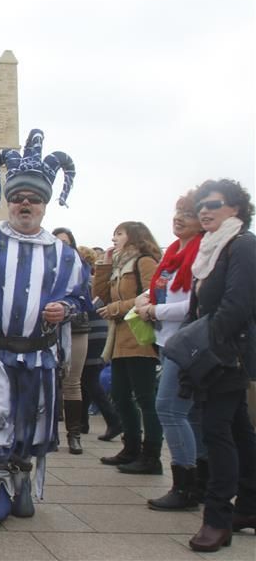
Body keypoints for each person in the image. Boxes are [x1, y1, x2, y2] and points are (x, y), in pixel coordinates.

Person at [0, 130, 90, 525]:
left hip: (39, 353)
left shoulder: (66, 255)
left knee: (33, 416)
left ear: (44, 204)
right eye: (18, 197)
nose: (25, 204)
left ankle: (22, 477)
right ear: (8, 201)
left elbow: (82, 298)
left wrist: (66, 309)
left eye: (34, 199)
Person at [183, 179, 256, 552]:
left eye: (213, 204)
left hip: (225, 357)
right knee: (240, 429)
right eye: (200, 207)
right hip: (217, 353)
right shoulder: (211, 248)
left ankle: (216, 518)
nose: (204, 211)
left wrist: (202, 350)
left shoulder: (243, 245)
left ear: (236, 208)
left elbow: (238, 305)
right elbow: (201, 307)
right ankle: (249, 504)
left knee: (216, 432)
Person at [131, 192, 206, 511]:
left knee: (170, 409)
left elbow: (195, 303)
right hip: (169, 341)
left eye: (187, 213)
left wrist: (154, 312)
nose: (179, 218)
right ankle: (200, 481)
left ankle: (185, 485)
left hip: (188, 344)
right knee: (189, 414)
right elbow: (164, 287)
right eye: (177, 211)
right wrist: (145, 298)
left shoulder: (203, 252)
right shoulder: (175, 251)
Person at [95, 221, 162, 474]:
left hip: (139, 338)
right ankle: (131, 448)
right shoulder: (119, 265)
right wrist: (103, 264)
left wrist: (116, 309)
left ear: (134, 236)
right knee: (121, 395)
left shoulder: (144, 261)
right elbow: (100, 294)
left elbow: (150, 294)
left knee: (145, 397)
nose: (114, 238)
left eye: (119, 233)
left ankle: (151, 455)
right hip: (120, 339)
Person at [52, 227, 92, 455]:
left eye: (66, 243)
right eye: (57, 242)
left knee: (72, 381)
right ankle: (50, 433)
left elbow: (84, 299)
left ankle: (74, 435)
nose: (62, 247)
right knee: (48, 381)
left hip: (74, 328)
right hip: (48, 328)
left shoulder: (80, 268)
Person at [76, 246, 122, 441]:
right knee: (86, 378)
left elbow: (88, 306)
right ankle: (82, 422)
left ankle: (114, 421)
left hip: (91, 334)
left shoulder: (84, 281)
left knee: (89, 379)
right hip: (97, 332)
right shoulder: (89, 279)